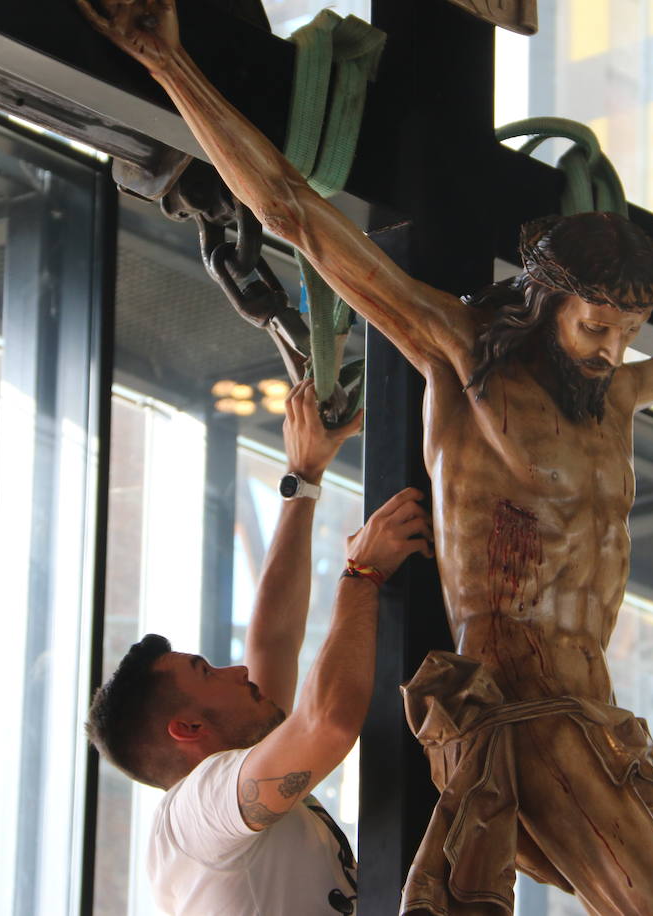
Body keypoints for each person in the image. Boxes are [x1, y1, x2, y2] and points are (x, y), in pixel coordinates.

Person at [75, 4, 653, 913]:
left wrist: (303, 482)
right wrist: (166, 60)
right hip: (525, 700)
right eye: (596, 324)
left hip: (605, 719)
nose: (611, 347)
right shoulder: (464, 357)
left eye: (627, 330)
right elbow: (296, 215)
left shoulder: (614, 393)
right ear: (548, 303)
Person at [86, 380, 433, 915]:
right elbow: (328, 725)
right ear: (190, 730)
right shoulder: (196, 811)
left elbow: (273, 638)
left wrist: (306, 476)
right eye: (207, 672)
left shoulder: (232, 790)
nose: (236, 669)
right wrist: (361, 575)